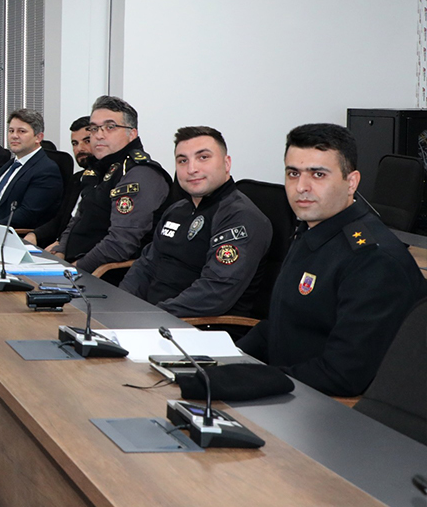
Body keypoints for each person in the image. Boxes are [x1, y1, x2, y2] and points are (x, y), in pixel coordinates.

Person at [237, 124, 427, 397]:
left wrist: (250, 381)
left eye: (318, 174)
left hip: (328, 408)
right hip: (290, 390)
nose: (301, 187)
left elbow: (343, 376)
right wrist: (229, 359)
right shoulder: (312, 231)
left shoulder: (373, 260)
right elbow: (280, 324)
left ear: (352, 182)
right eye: (293, 173)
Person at [119, 127, 272, 318]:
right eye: (183, 161)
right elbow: (146, 266)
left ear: (226, 163)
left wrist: (151, 316)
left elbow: (214, 292)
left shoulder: (240, 217)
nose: (192, 169)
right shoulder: (177, 210)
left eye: (203, 157)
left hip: (197, 326)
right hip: (153, 317)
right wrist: (119, 306)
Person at [51, 96, 172, 275]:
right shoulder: (100, 169)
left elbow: (120, 244)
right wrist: (60, 250)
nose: (98, 135)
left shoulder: (138, 173)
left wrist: (73, 270)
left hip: (105, 275)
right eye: (94, 128)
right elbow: (78, 219)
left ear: (132, 133)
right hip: (75, 266)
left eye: (110, 127)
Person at [28, 116, 93, 247]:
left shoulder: (106, 181)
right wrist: (34, 235)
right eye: (75, 143)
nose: (80, 148)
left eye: (87, 141)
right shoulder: (76, 179)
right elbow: (60, 220)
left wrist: (60, 246)